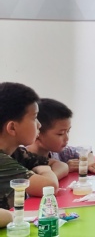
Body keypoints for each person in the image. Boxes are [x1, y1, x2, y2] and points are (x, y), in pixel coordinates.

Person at [0, 82, 60, 228]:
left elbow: (58, 165)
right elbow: (50, 187)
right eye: (34, 118)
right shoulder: (2, 161)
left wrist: (43, 173)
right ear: (12, 127)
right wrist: (45, 170)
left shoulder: (17, 152)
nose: (39, 125)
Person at [26, 98, 95, 176]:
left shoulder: (60, 152)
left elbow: (86, 151)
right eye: (60, 134)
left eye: (68, 131)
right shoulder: (22, 159)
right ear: (38, 132)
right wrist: (65, 168)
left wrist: (89, 163)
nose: (67, 138)